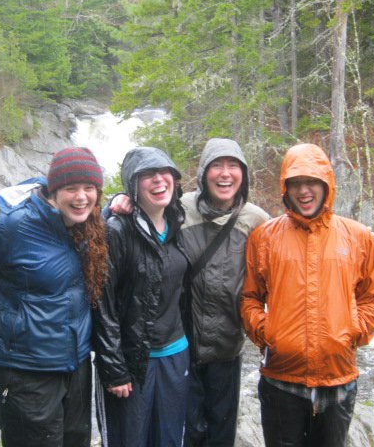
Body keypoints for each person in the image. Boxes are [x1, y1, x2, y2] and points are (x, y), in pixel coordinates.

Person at [108, 138, 270, 446]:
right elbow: (141, 214)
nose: (225, 174)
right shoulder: (179, 209)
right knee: (185, 432)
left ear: (244, 175)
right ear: (203, 172)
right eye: (217, 165)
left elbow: (279, 270)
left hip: (226, 346)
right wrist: (119, 199)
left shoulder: (257, 221)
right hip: (183, 346)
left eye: (233, 166)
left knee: (221, 434)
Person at [240, 143, 374, 447]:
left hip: (338, 379)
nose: (303, 190)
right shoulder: (264, 237)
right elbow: (250, 297)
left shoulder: (359, 237)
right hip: (281, 380)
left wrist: (353, 331)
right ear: (285, 188)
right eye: (295, 183)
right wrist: (267, 332)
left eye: (311, 181)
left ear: (326, 184)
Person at [0, 147, 108, 447]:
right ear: (54, 191)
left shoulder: (91, 223)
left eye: (89, 188)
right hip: (25, 370)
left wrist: (121, 201)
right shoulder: (12, 225)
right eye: (71, 188)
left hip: (75, 365)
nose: (82, 197)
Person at [94, 146, 190, 447]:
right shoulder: (117, 230)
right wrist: (114, 369)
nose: (159, 179)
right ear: (132, 185)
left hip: (176, 354)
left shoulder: (178, 222)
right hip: (133, 363)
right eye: (148, 174)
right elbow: (103, 303)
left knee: (169, 439)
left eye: (164, 172)